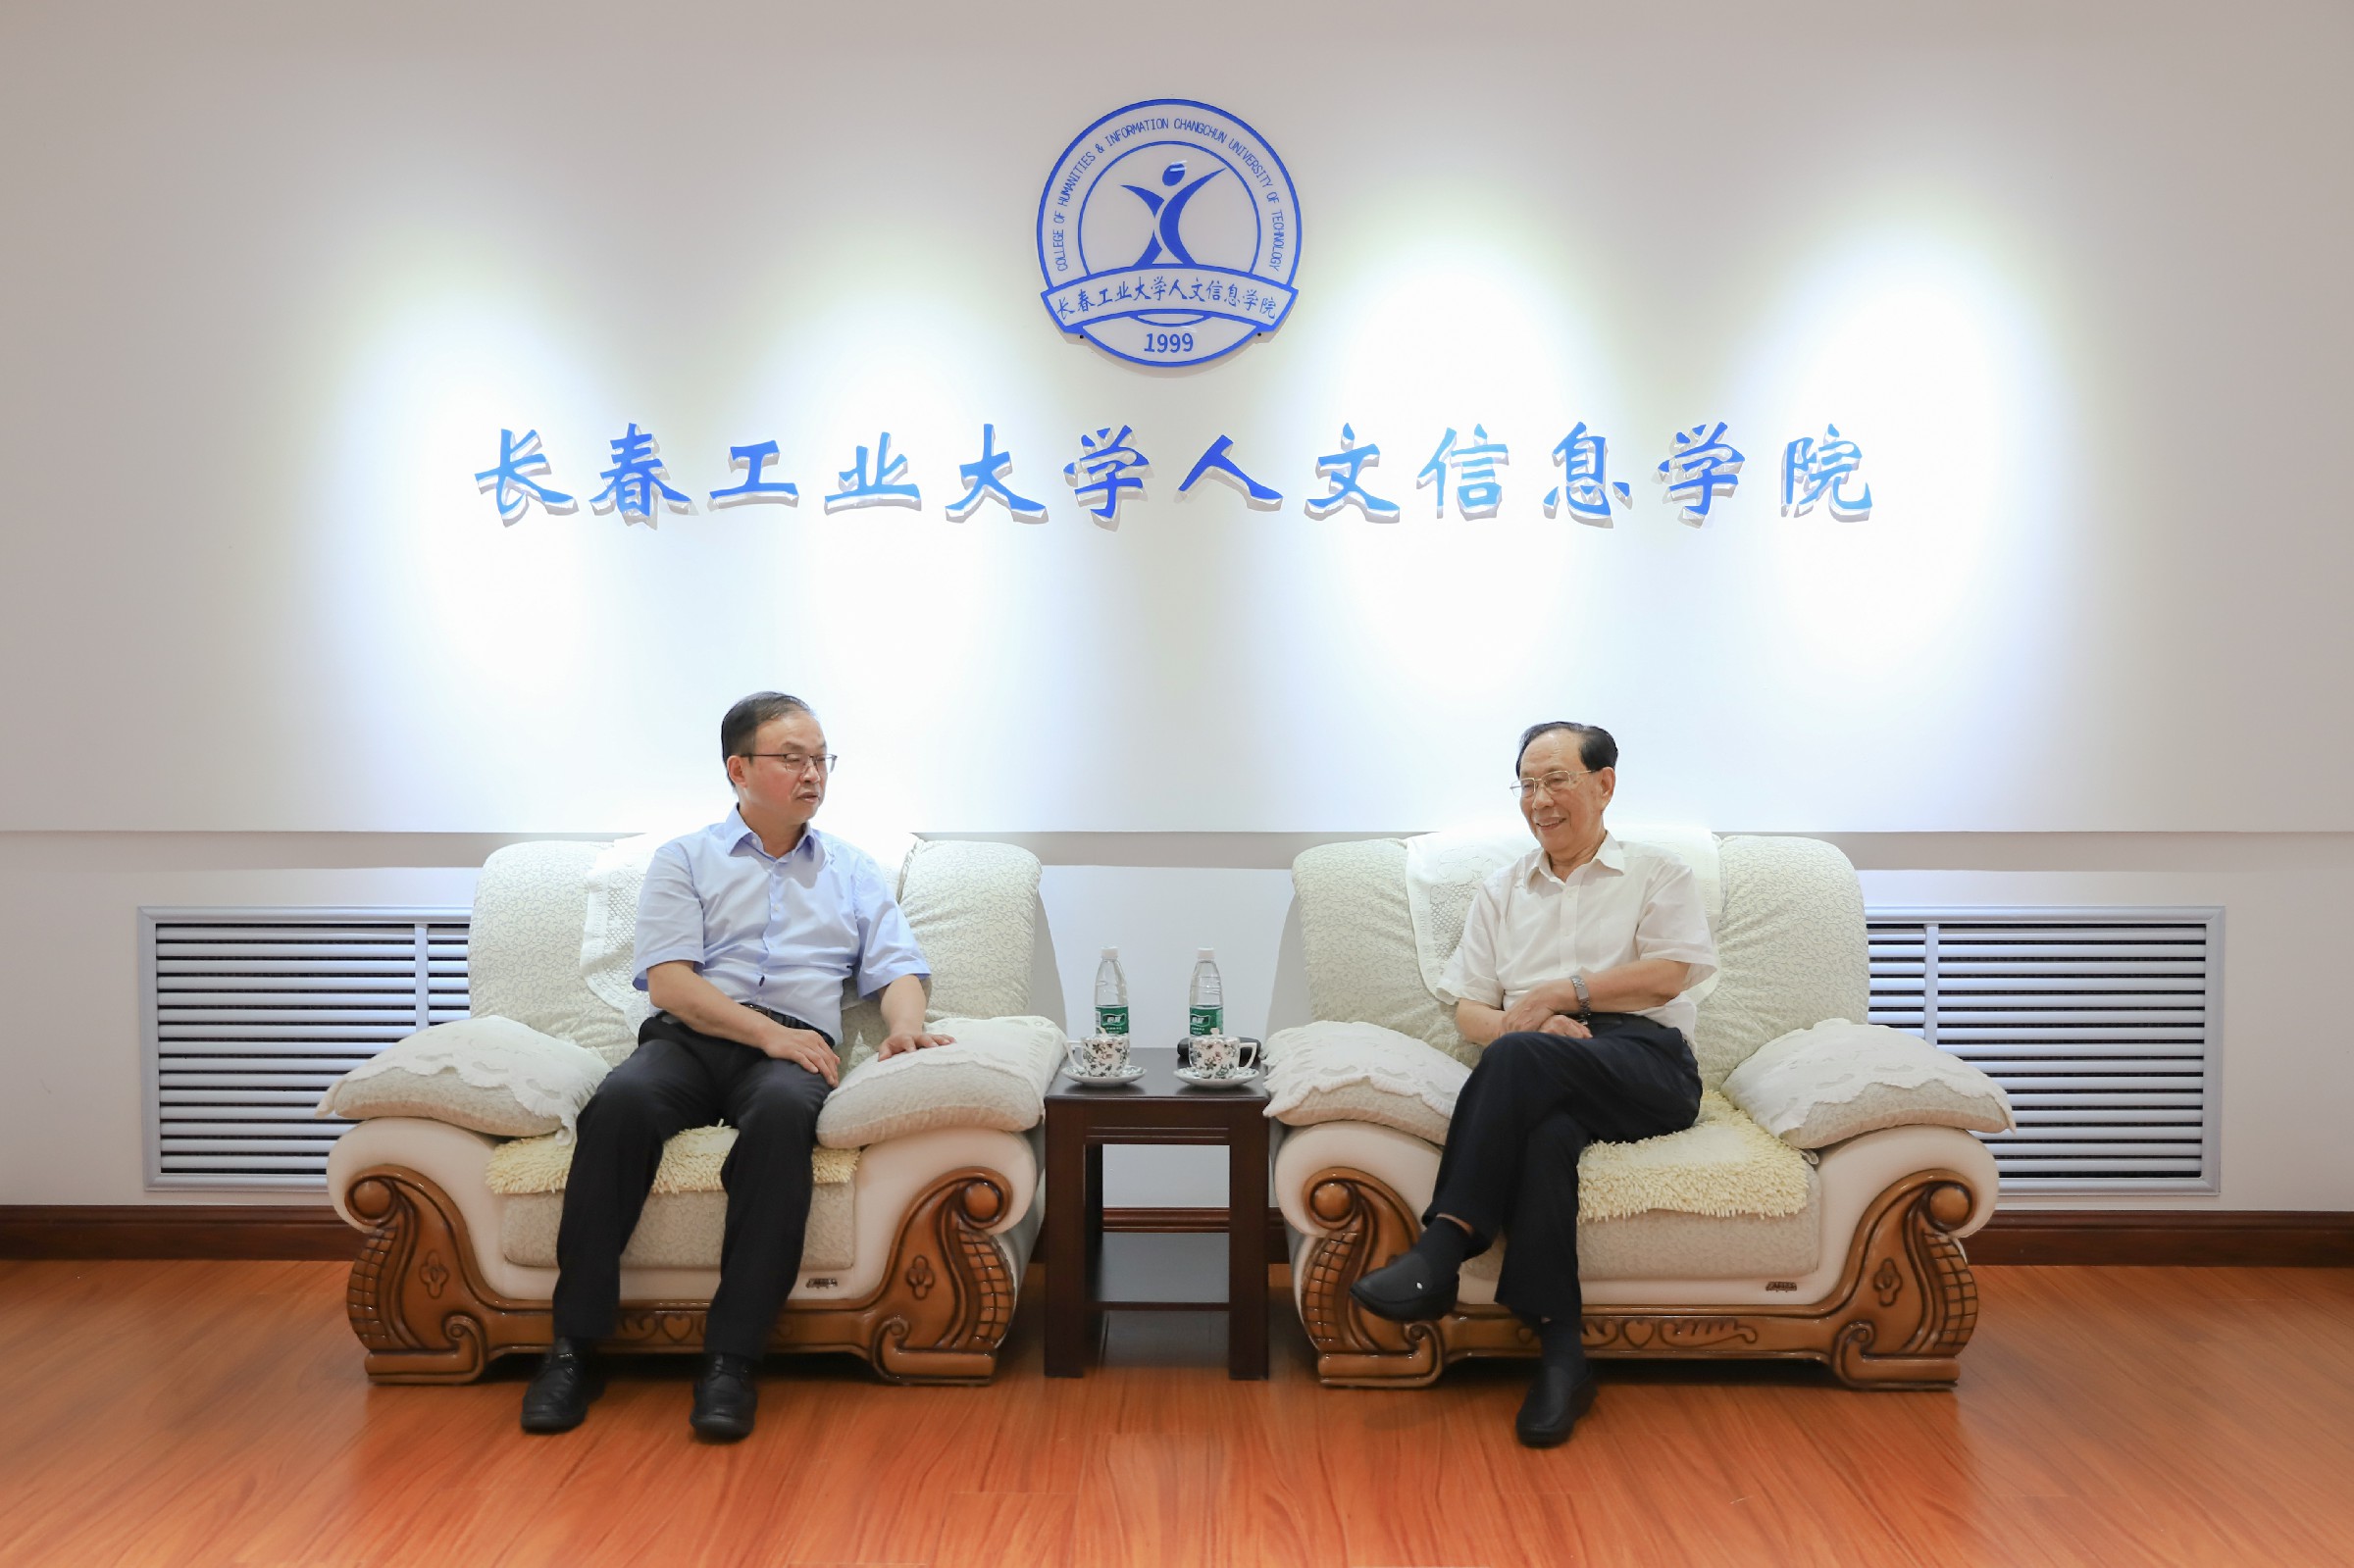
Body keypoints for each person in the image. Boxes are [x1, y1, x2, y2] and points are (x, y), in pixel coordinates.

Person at [521, 691, 950, 1441]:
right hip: (691, 1037)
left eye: (821, 758)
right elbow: (670, 983)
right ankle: (571, 1348)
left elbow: (898, 969)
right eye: (793, 758)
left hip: (795, 1047)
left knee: (783, 1116)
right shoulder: (685, 859)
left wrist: (906, 1030)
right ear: (739, 769)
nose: (813, 773)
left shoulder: (851, 869)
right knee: (618, 1104)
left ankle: (731, 1358)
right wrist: (764, 1033)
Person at [1349, 721, 1715, 1447]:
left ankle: (1444, 1245)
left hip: (1644, 1063)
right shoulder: (1501, 890)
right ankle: (1562, 1354)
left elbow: (1670, 973)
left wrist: (1560, 993)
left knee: (1517, 1055)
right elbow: (1469, 1009)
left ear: (1603, 785)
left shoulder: (1658, 873)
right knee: (1545, 1136)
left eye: (1556, 780)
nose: (1539, 799)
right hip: (1539, 1062)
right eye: (1526, 785)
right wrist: (1535, 1027)